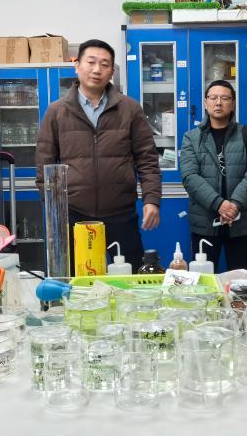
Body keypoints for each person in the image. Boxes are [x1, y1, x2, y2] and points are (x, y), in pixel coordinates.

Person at [35, 39, 161, 272]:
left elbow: (147, 159)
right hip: (74, 214)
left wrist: (152, 200)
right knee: (76, 280)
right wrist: (54, 208)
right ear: (77, 65)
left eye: (104, 64)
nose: (97, 70)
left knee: (131, 278)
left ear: (111, 71)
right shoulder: (57, 111)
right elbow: (45, 162)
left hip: (121, 212)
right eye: (91, 62)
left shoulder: (130, 109)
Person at [180, 79, 247, 271]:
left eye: (225, 98)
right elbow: (189, 176)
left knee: (241, 280)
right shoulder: (191, 138)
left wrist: (234, 204)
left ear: (233, 103)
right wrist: (219, 204)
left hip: (241, 221)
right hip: (204, 222)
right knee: (203, 279)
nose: (218, 102)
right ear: (205, 102)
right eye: (213, 98)